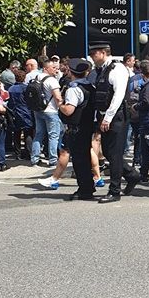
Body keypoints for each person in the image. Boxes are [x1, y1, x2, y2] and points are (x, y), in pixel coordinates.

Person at [88, 41, 141, 203]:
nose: (92, 56)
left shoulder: (117, 69)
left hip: (116, 116)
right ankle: (132, 175)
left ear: (103, 53)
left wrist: (108, 117)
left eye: (94, 53)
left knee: (115, 154)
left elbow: (118, 95)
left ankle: (114, 191)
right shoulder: (102, 70)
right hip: (105, 115)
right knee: (109, 153)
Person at [57, 58, 98, 201]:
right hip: (87, 125)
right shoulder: (90, 87)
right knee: (85, 157)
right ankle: (88, 186)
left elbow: (69, 110)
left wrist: (60, 105)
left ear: (70, 71)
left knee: (79, 160)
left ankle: (85, 189)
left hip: (76, 127)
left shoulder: (74, 89)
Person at [30, 59, 63, 168]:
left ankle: (34, 159)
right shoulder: (52, 80)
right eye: (53, 68)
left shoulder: (36, 78)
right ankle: (53, 160)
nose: (55, 70)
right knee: (53, 136)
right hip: (51, 111)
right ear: (45, 68)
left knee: (39, 134)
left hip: (38, 110)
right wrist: (62, 107)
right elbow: (57, 97)